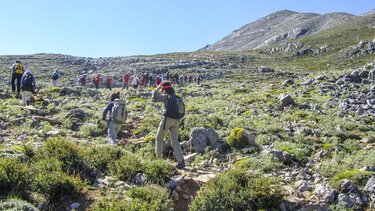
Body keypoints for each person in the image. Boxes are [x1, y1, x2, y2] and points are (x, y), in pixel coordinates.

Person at [152, 81, 185, 169]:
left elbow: (154, 99)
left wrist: (157, 89)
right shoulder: (178, 97)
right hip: (177, 120)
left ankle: (158, 161)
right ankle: (181, 161)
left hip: (167, 119)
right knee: (175, 141)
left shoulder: (166, 96)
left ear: (164, 88)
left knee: (159, 139)